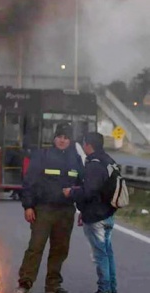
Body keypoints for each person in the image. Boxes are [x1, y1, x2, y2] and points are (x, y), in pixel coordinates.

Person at [15, 123, 84, 293]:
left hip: (66, 212)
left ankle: (53, 285)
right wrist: (28, 206)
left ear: (71, 140)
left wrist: (82, 209)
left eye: (66, 137)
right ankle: (25, 282)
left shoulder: (76, 159)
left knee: (59, 250)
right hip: (43, 209)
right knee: (36, 247)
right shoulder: (42, 155)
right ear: (54, 138)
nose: (62, 140)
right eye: (59, 136)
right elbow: (29, 181)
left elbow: (82, 186)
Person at [63, 132, 117, 293]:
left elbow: (89, 191)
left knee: (100, 256)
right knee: (108, 254)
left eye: (84, 143)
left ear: (88, 145)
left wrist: (71, 193)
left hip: (96, 217)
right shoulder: (108, 160)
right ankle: (111, 288)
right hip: (108, 214)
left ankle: (104, 290)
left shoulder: (94, 164)